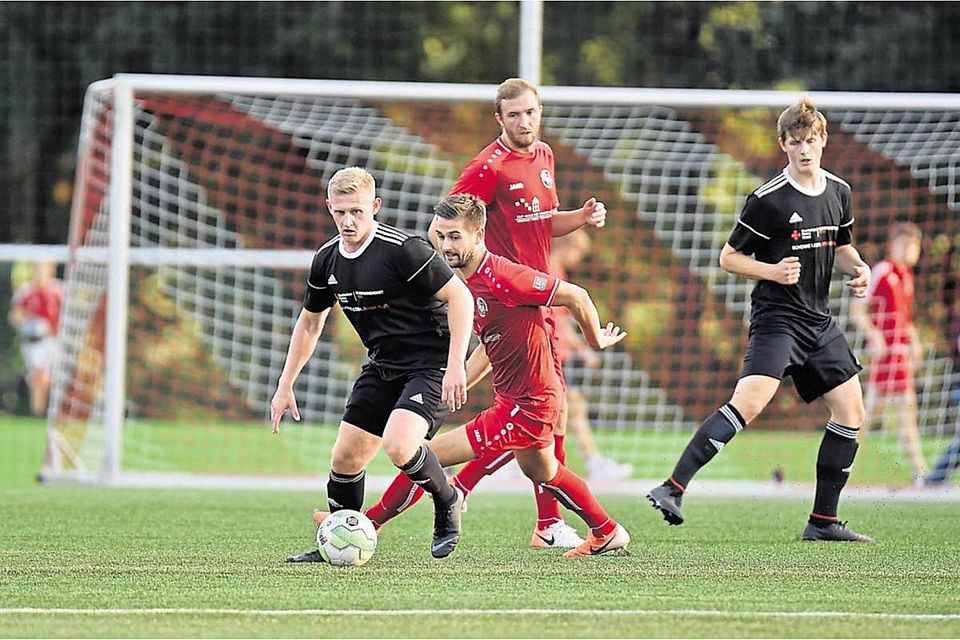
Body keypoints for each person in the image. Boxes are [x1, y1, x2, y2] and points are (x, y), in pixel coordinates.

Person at [316, 193, 630, 558]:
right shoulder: (465, 283)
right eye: (442, 235)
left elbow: (576, 295)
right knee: (544, 471)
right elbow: (490, 347)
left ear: (478, 235)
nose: (446, 245)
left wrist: (596, 341)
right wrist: (458, 378)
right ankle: (606, 531)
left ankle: (367, 524)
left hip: (530, 403)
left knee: (423, 454)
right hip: (518, 398)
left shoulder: (504, 276)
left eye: (455, 237)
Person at [647, 97, 874, 542]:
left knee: (851, 411)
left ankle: (822, 521)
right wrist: (771, 271)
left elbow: (840, 246)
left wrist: (860, 268)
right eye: (795, 142)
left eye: (811, 141)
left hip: (819, 322)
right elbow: (728, 258)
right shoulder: (768, 200)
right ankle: (671, 487)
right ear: (783, 145)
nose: (804, 149)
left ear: (823, 141)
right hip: (777, 320)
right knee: (748, 403)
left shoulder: (838, 191)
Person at [427, 77, 610, 549]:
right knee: (533, 416)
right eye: (514, 115)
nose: (524, 121)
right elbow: (442, 223)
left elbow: (544, 224)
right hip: (507, 296)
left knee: (546, 417)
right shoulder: (487, 167)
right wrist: (465, 275)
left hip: (538, 295)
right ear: (499, 119)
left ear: (540, 111)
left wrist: (581, 217)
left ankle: (544, 522)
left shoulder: (544, 155)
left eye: (531, 112)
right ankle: (478, 495)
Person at [272, 167, 475, 562]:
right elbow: (311, 322)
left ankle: (447, 498)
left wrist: (455, 366)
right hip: (382, 365)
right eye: (341, 212)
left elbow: (461, 298)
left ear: (375, 207)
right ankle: (337, 538)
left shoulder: (403, 249)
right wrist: (285, 385)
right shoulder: (327, 259)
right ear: (329, 208)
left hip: (430, 364)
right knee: (345, 457)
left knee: (400, 446)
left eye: (358, 212)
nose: (349, 221)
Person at [551, 230, 633, 482]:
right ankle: (594, 462)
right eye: (579, 254)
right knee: (569, 408)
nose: (578, 260)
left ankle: (593, 461)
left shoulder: (555, 270)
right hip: (552, 353)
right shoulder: (551, 270)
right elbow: (558, 322)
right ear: (568, 246)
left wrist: (581, 349)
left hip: (557, 353)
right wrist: (584, 349)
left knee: (567, 409)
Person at [850, 222, 927, 480]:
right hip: (886, 356)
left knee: (900, 412)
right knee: (871, 414)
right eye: (904, 245)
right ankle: (841, 464)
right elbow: (857, 309)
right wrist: (874, 335)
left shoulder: (906, 277)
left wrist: (913, 340)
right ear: (892, 246)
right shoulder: (882, 271)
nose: (909, 251)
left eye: (913, 246)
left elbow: (904, 318)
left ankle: (920, 472)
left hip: (900, 355)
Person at [9, 261, 63, 416]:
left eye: (44, 268)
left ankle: (52, 412)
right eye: (38, 269)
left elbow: (68, 313)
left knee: (50, 378)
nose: (41, 272)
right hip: (35, 343)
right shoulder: (26, 291)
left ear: (51, 270)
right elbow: (14, 316)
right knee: (38, 377)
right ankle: (38, 414)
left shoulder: (59, 290)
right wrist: (30, 323)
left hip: (55, 340)